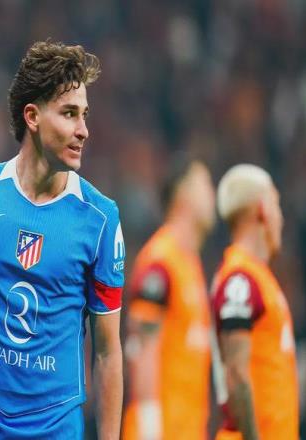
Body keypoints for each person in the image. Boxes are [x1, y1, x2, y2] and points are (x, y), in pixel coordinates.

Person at [0, 41, 125, 439]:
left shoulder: (100, 219)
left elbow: (107, 351)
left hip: (57, 428)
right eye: (69, 114)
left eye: (84, 115)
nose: (83, 130)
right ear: (32, 116)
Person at [122, 157, 215, 440]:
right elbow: (142, 346)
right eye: (204, 184)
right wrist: (150, 426)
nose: (212, 193)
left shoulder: (191, 265)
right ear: (182, 194)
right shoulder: (160, 262)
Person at [211, 164, 298, 440]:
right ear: (262, 208)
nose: (281, 218)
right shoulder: (240, 279)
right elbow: (237, 373)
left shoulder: (258, 276)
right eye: (276, 204)